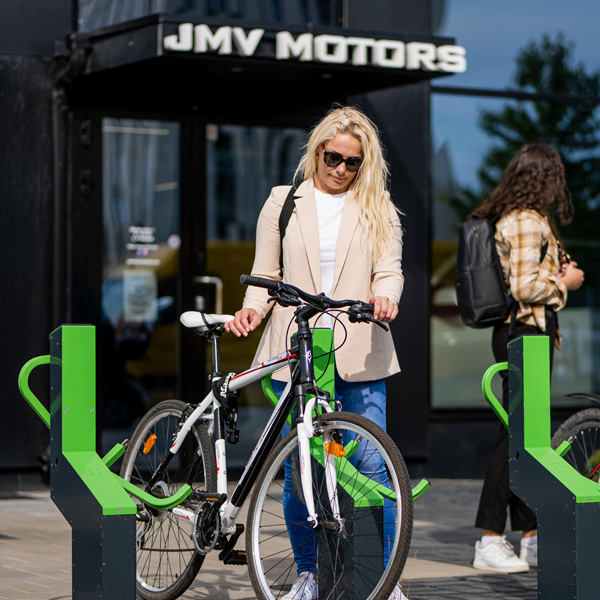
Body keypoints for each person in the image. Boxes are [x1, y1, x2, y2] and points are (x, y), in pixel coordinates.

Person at [225, 106, 408, 600]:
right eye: (334, 158)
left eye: (353, 162)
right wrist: (251, 311)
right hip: (301, 349)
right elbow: (266, 273)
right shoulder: (283, 202)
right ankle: (307, 573)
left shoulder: (379, 205)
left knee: (374, 468)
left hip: (360, 347)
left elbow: (389, 269)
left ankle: (384, 580)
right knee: (301, 469)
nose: (341, 170)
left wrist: (387, 295)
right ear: (317, 152)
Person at [470, 143, 585, 573]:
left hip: (529, 335)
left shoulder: (526, 220)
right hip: (523, 333)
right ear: (544, 179)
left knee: (528, 435)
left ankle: (532, 534)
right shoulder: (525, 222)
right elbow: (524, 288)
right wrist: (565, 282)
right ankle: (489, 538)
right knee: (515, 435)